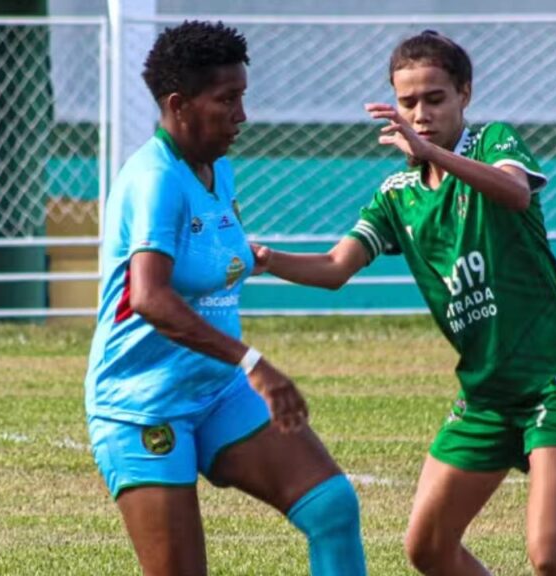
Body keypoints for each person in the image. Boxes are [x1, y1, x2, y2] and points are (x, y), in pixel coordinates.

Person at [252, 30, 556, 576]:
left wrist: (433, 153)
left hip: (555, 376)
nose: (420, 114)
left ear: (465, 93)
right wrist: (267, 258)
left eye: (435, 98)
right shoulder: (398, 195)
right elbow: (335, 268)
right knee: (428, 548)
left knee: (551, 557)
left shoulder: (492, 142)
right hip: (486, 394)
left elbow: (516, 193)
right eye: (408, 102)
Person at [84, 21, 367, 576]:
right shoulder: (155, 179)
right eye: (227, 99)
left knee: (331, 507)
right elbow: (150, 297)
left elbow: (213, 257)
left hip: (216, 392)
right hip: (143, 404)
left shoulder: (219, 170)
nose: (242, 115)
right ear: (179, 104)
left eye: (242, 96)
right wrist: (254, 363)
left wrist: (257, 261)